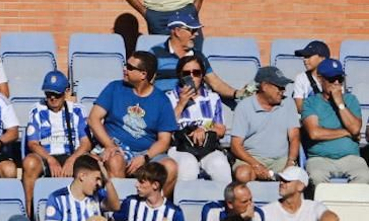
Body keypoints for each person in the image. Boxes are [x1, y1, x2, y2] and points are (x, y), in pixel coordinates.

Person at [88, 52, 180, 189]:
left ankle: (157, 207)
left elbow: (164, 140)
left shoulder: (162, 101)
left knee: (170, 167)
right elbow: (93, 119)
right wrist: (109, 145)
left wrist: (145, 157)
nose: (125, 69)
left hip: (146, 152)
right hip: (116, 146)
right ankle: (120, 207)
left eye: (130, 67)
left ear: (143, 74)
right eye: (126, 65)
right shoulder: (115, 88)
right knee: (115, 160)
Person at [24, 72, 93, 213]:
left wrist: (72, 160)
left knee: (93, 164)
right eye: (49, 94)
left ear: (66, 92)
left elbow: (86, 143)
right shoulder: (37, 110)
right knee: (29, 163)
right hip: (46, 155)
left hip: (71, 154)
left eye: (57, 94)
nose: (52, 98)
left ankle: (89, 211)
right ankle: (29, 213)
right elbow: (33, 143)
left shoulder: (78, 110)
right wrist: (50, 159)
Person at [165, 54, 233, 187]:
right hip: (180, 147)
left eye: (196, 73)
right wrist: (181, 103)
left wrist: (203, 129)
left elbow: (220, 129)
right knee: (187, 165)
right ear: (179, 75)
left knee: (220, 165)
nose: (191, 77)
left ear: (202, 76)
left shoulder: (213, 98)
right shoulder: (169, 98)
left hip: (208, 148)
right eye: (186, 73)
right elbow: (166, 127)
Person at [297, 58, 364, 183]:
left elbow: (355, 129)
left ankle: (348, 203)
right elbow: (314, 133)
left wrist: (340, 103)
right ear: (320, 78)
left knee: (364, 175)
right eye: (332, 79)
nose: (337, 82)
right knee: (317, 176)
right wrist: (346, 132)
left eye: (340, 78)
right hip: (320, 159)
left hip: (350, 158)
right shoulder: (311, 103)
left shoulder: (351, 100)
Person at [230, 66, 300, 183]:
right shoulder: (244, 107)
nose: (283, 91)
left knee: (295, 178)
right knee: (243, 174)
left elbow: (294, 137)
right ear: (264, 86)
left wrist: (290, 162)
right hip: (251, 159)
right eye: (280, 87)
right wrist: (256, 165)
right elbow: (236, 145)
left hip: (281, 160)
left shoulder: (288, 103)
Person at [41, 154, 120, 221]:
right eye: (97, 179)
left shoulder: (98, 194)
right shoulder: (57, 198)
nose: (99, 183)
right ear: (82, 176)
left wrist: (107, 181)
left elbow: (115, 206)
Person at [111, 161, 185, 221]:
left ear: (155, 185)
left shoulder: (174, 213)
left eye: (141, 182)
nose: (136, 185)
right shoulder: (131, 203)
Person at [264, 168, 339, 221]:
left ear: (300, 186)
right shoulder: (267, 211)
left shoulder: (313, 207)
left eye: (287, 181)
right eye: (281, 180)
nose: (281, 183)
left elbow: (333, 218)